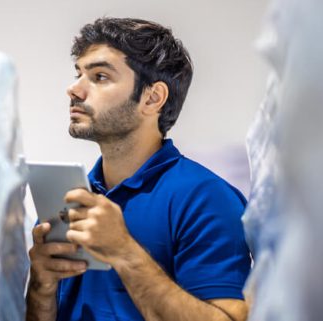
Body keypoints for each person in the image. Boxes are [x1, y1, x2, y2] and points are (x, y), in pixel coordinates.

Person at [25, 17, 252, 321]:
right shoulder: (72, 198)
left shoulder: (207, 199)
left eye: (100, 76)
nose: (74, 89)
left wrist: (124, 252)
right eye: (78, 73)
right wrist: (41, 287)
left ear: (152, 97)